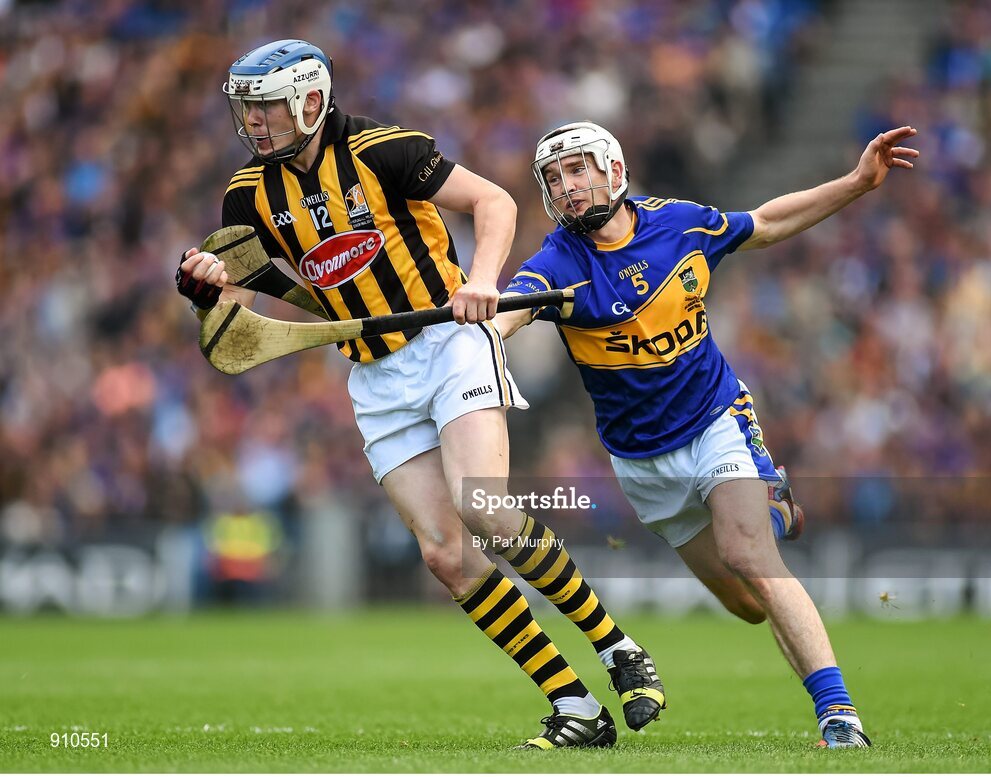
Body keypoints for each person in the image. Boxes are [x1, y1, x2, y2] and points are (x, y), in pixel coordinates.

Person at [174, 41, 664, 750]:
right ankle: (575, 704)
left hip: (448, 340)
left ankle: (618, 648)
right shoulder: (246, 194)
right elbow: (255, 288)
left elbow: (492, 201)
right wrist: (207, 280)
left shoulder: (384, 149)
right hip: (374, 374)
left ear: (311, 101)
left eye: (269, 108)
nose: (255, 123)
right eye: (247, 110)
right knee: (444, 553)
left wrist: (484, 279)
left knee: (483, 507)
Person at [498, 120, 920, 748]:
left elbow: (768, 223)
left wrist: (858, 182)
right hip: (641, 462)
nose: (567, 186)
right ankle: (771, 514)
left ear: (614, 170)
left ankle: (839, 717)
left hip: (717, 420)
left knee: (748, 553)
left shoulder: (680, 224)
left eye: (578, 169)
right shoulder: (556, 264)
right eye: (555, 178)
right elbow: (509, 315)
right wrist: (482, 318)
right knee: (748, 602)